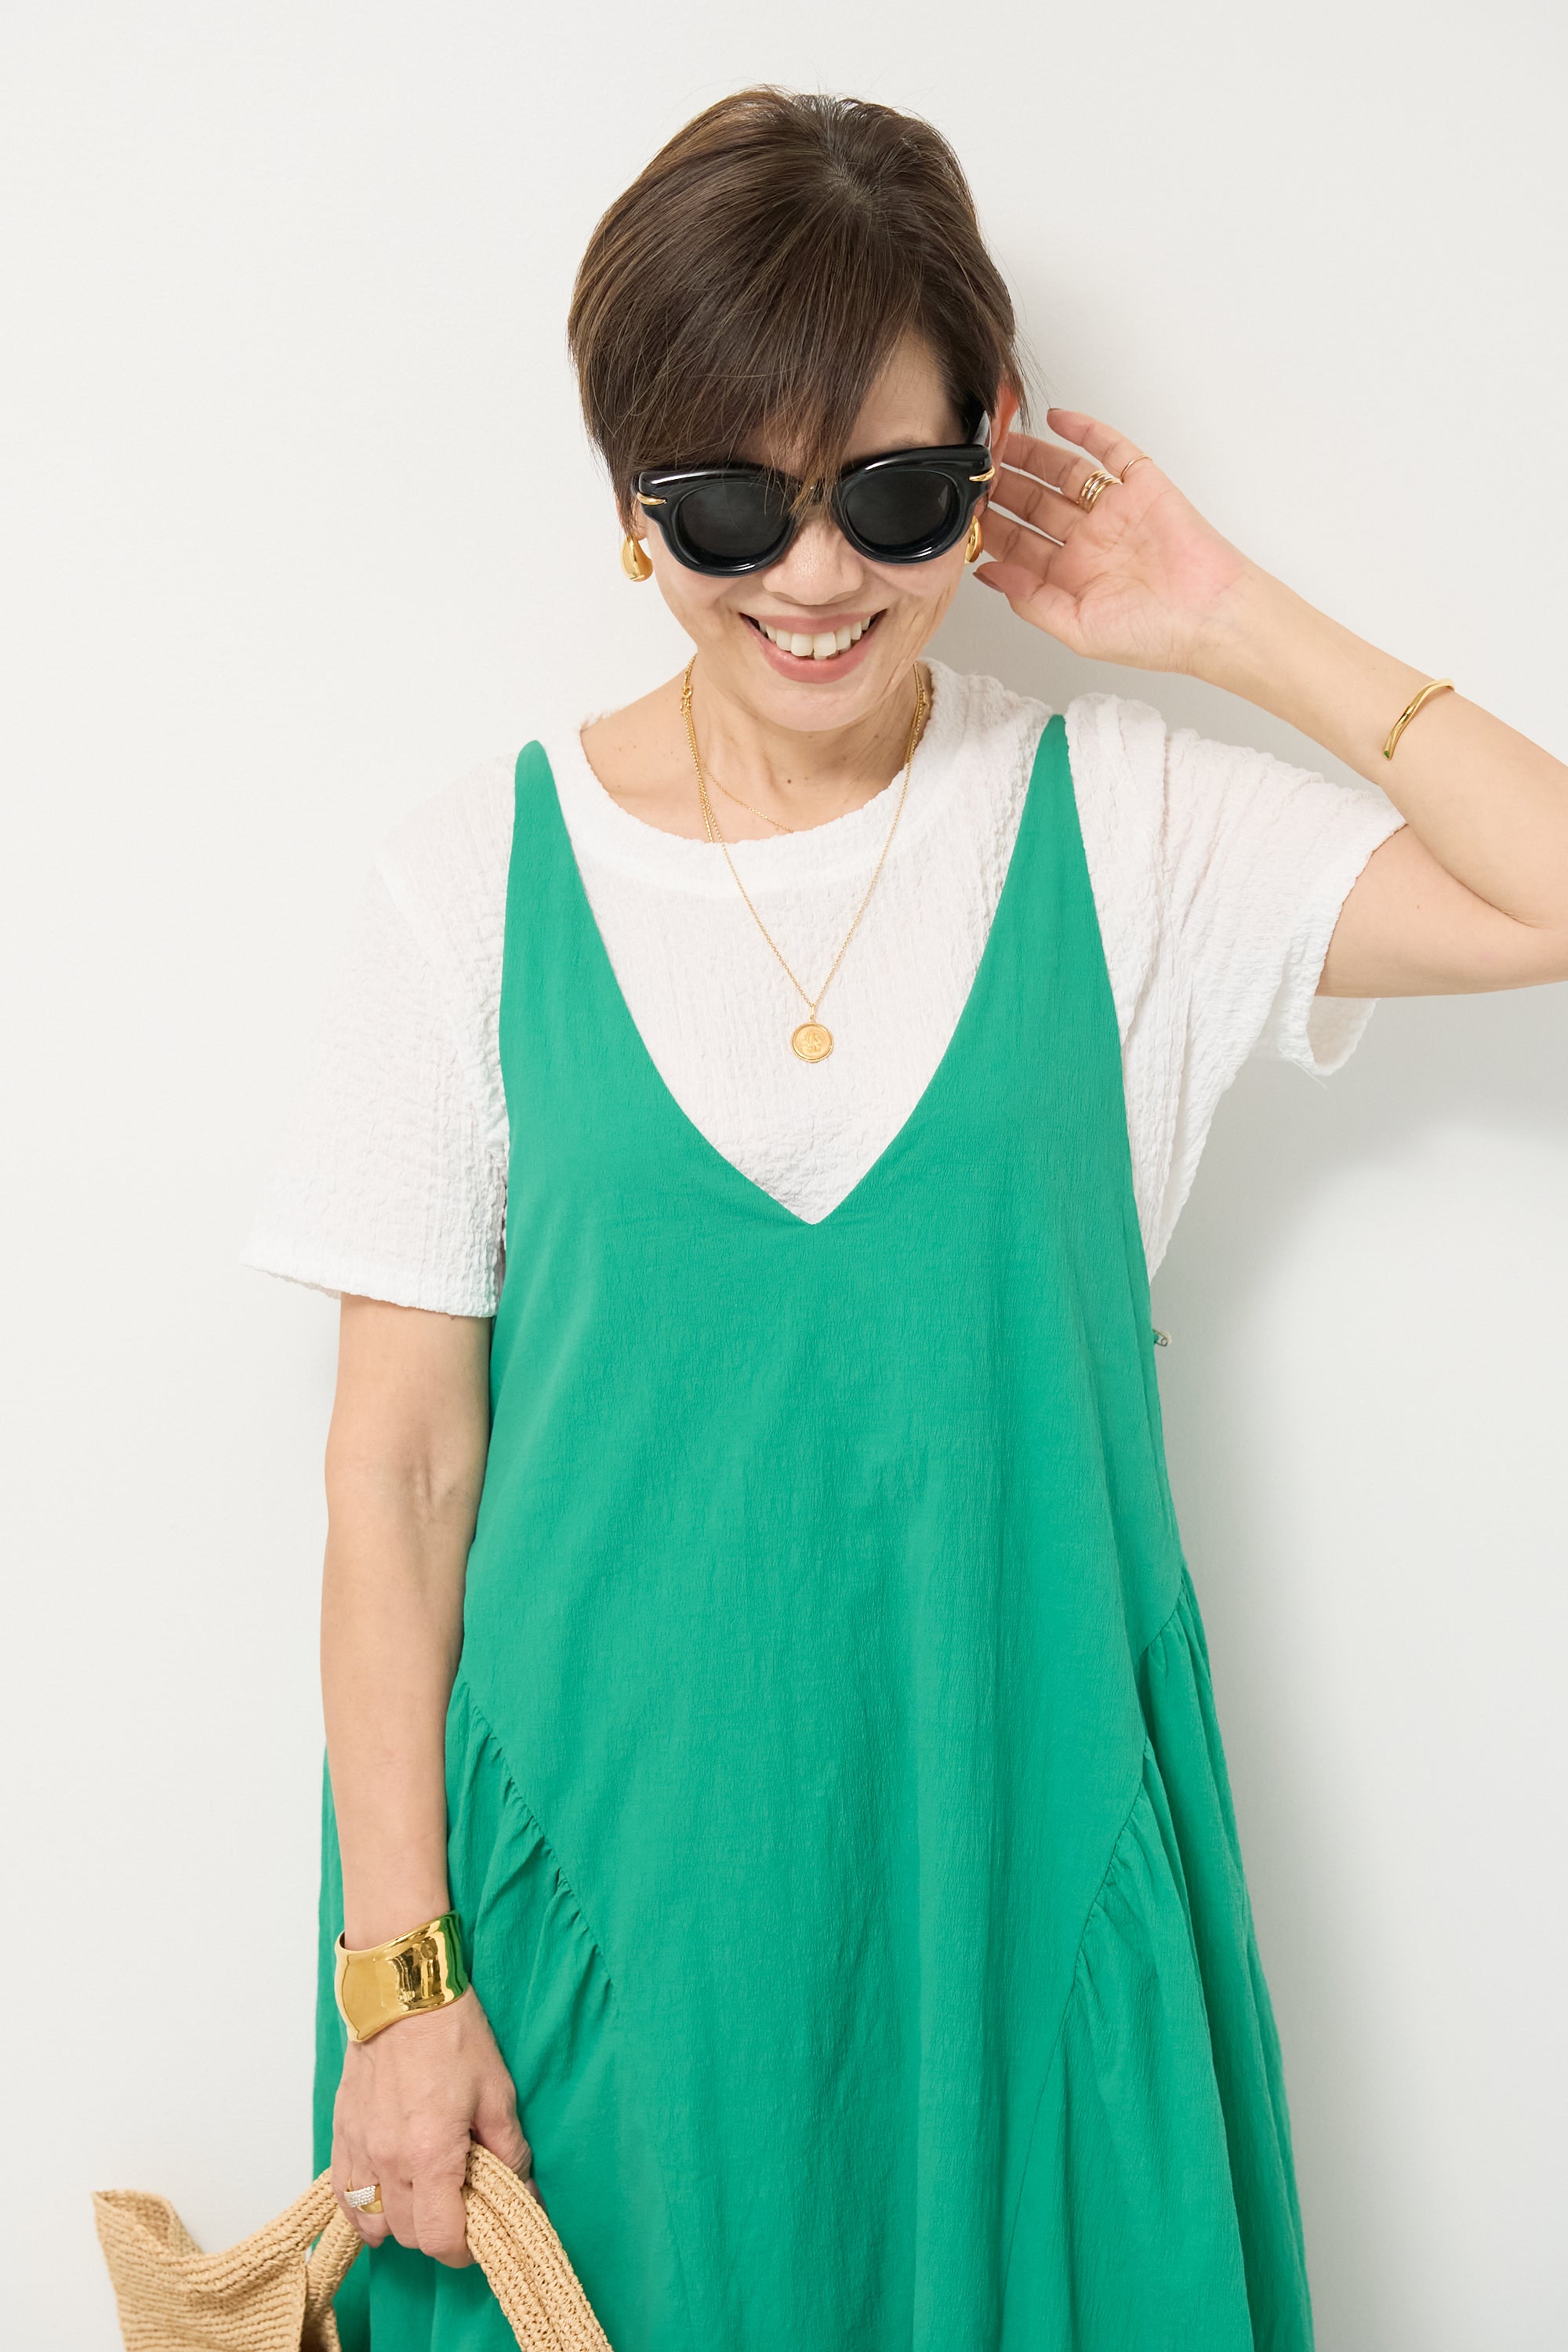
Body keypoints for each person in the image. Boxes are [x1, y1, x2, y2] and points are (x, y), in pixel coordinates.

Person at [244, 86, 1568, 2352]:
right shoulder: (466, 883)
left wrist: (1223, 618)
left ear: (988, 456)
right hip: (594, 1948)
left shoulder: (1122, 828)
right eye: (728, 503)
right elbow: (399, 1479)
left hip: (1016, 1890)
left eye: (892, 493)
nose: (815, 579)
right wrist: (400, 1978)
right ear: (629, 501)